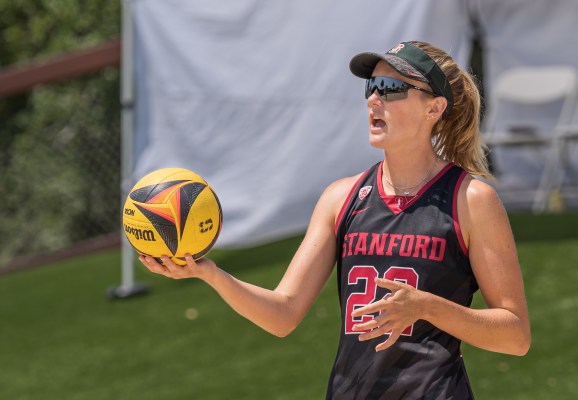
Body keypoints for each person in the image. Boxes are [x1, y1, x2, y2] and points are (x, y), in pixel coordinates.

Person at [139, 40, 530, 399]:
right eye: (371, 86)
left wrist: (427, 307)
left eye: (392, 89)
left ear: (434, 108)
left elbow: (515, 335)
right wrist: (209, 272)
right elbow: (283, 314)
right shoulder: (340, 199)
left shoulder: (471, 200)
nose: (375, 99)